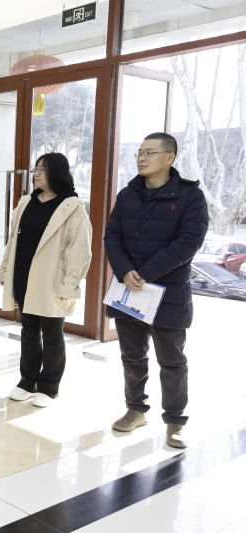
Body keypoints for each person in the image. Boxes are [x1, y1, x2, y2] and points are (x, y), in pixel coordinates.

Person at [104, 132, 208, 449]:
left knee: (172, 362)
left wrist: (144, 274)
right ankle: (136, 410)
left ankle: (175, 421)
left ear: (169, 157)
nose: (142, 157)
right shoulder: (127, 194)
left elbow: (188, 243)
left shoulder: (190, 196)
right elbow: (112, 236)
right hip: (127, 289)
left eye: (149, 152)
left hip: (168, 293)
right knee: (132, 357)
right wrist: (124, 271)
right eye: (139, 152)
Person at [0, 153, 92, 408]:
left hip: (53, 280)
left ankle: (49, 387)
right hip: (23, 276)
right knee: (28, 331)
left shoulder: (72, 207)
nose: (36, 174)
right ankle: (27, 382)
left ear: (57, 173)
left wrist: (69, 285)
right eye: (36, 169)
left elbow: (79, 251)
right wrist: (5, 271)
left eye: (42, 169)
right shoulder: (27, 202)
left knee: (51, 333)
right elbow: (13, 241)